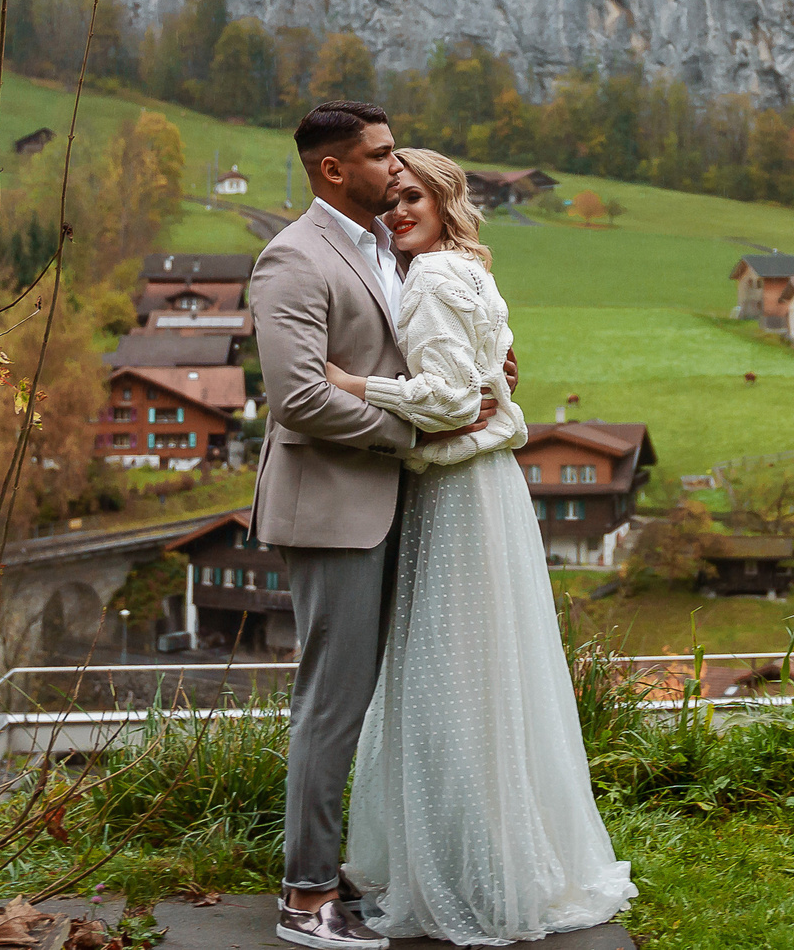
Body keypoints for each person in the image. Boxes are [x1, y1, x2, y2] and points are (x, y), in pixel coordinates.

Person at [333, 148, 635, 944]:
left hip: (452, 492)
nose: (397, 211)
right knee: (492, 670)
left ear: (443, 199)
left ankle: (464, 871)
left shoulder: (432, 276)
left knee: (449, 673)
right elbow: (488, 379)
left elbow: (446, 399)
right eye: (387, 201)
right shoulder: (467, 267)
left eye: (411, 196)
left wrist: (354, 384)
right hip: (489, 485)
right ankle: (499, 858)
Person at [251, 102, 501, 950]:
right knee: (332, 703)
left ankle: (357, 867)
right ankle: (306, 894)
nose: (399, 168)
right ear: (334, 168)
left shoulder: (389, 250)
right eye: (382, 154)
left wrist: (483, 371)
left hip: (399, 500)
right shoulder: (293, 257)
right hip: (333, 511)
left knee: (393, 697)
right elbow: (299, 397)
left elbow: (420, 357)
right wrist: (415, 433)